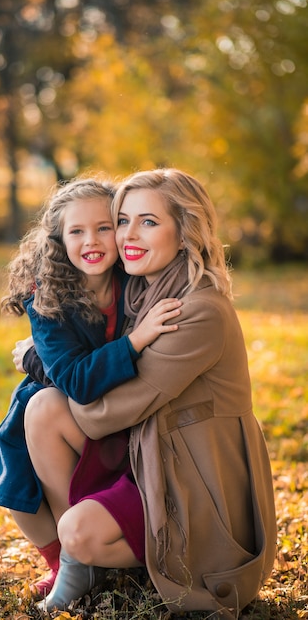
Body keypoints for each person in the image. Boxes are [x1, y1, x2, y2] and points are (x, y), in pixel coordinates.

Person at [26, 168, 277, 619]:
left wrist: (39, 362)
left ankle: (91, 548)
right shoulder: (141, 289)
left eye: (148, 221)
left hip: (196, 477)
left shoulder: (196, 311)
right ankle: (76, 561)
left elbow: (105, 414)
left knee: (80, 530)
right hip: (149, 450)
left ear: (184, 233)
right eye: (122, 220)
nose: (126, 235)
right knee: (42, 408)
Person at [0, 177, 182, 598]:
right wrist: (135, 340)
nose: (91, 241)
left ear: (120, 229)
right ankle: (67, 563)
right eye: (77, 231)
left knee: (52, 408)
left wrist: (35, 359)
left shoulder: (136, 280)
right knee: (23, 497)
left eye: (103, 227)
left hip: (123, 417)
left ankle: (96, 549)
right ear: (58, 240)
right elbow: (75, 381)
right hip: (67, 413)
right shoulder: (47, 295)